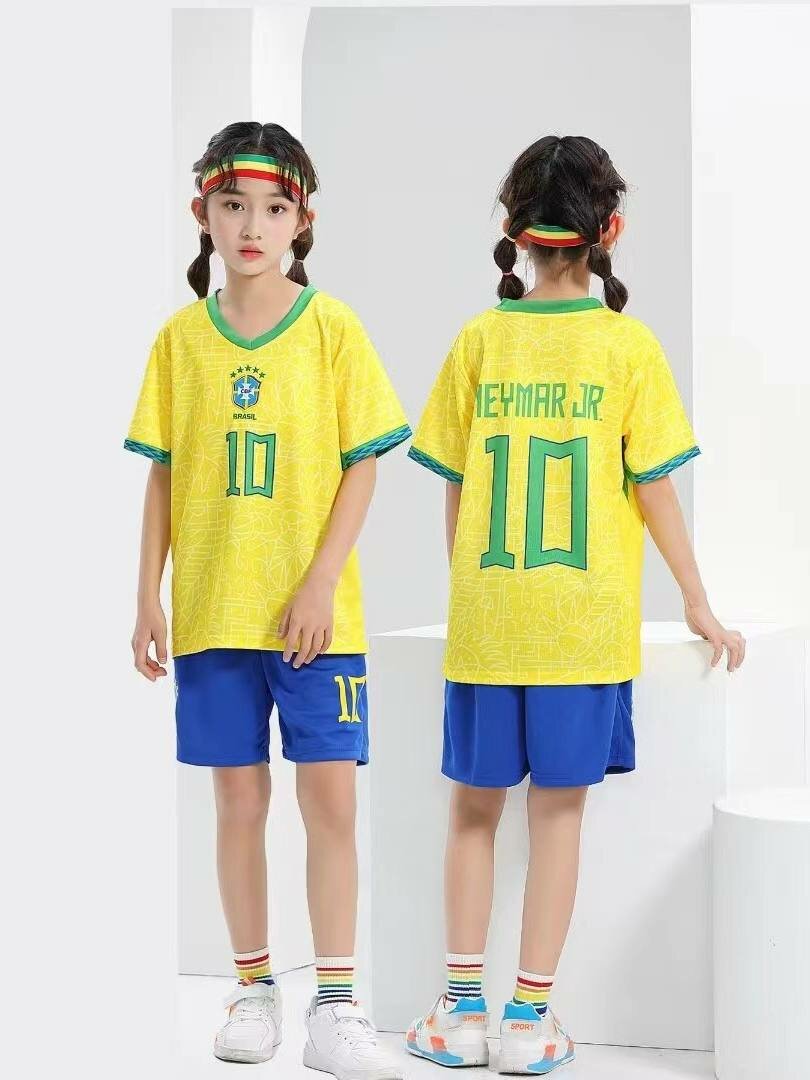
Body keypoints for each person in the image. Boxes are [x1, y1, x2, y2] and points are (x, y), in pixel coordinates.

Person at [405, 134, 745, 1075]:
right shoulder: (627, 347)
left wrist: (471, 593)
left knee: (473, 813)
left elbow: (456, 490)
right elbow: (655, 488)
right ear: (610, 231)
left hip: (489, 624)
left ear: (514, 231)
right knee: (558, 817)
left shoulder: (479, 340)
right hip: (581, 630)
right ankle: (528, 1020)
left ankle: (459, 1012)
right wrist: (698, 601)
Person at [125, 121, 409, 1077]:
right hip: (214, 610)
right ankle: (252, 988)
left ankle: (336, 1003)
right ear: (202, 212)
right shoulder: (180, 340)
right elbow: (163, 475)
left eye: (275, 208)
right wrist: (147, 596)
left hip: (316, 622)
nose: (252, 226)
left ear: (303, 220)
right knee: (237, 801)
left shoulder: (333, 329)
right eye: (234, 205)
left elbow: (365, 462)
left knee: (330, 801)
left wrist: (321, 580)